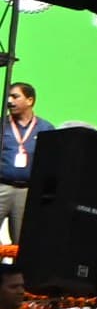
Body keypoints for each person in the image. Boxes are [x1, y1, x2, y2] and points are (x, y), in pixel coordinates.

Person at [0, 82, 53, 241]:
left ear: (30, 100)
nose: (9, 101)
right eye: (8, 96)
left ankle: (18, 267)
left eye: (15, 96)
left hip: (27, 192)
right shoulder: (2, 124)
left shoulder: (45, 128)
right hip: (2, 187)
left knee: (23, 241)